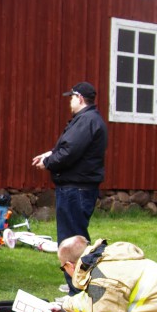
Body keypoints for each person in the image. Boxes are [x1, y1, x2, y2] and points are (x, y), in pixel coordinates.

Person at [32, 81, 107, 292]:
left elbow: (69, 152)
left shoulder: (86, 121)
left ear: (80, 98)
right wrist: (50, 153)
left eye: (71, 98)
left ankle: (79, 289)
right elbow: (68, 147)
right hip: (77, 188)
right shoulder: (87, 120)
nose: (70, 102)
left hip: (76, 189)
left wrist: (49, 162)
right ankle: (78, 284)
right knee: (73, 237)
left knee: (72, 240)